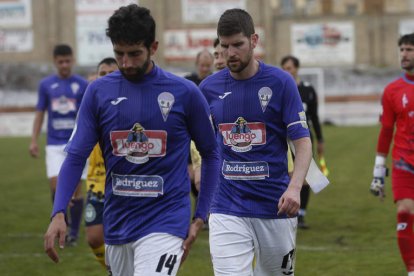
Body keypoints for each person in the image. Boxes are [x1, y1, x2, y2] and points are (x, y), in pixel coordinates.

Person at [43, 4, 220, 276]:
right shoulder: (98, 92)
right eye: (119, 54)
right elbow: (76, 155)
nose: (126, 63)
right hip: (118, 223)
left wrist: (200, 216)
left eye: (134, 54)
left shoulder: (185, 93)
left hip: (167, 221)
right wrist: (58, 212)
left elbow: (211, 152)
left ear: (154, 47)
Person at [200, 8, 312, 275]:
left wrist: (295, 188)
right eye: (224, 46)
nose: (230, 53)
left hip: (275, 206)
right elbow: (203, 145)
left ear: (254, 40)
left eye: (237, 44)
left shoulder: (281, 82)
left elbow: (302, 141)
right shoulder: (209, 89)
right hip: (226, 206)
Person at [30, 44, 88, 246]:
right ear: (55, 62)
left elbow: (86, 116)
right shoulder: (46, 85)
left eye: (67, 61)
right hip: (54, 144)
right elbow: (40, 113)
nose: (64, 65)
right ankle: (62, 220)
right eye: (60, 61)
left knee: (76, 190)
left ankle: (73, 233)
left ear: (72, 60)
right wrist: (34, 140)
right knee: (56, 186)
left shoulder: (82, 85)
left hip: (75, 144)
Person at [370, 33, 414, 276]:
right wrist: (378, 172)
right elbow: (386, 131)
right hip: (403, 163)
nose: (404, 54)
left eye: (409, 49)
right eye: (402, 50)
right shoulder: (392, 90)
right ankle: (411, 269)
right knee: (404, 211)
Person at [281, 55, 325, 229]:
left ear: (296, 69)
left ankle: (301, 214)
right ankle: (285, 206)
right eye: (284, 68)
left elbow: (314, 117)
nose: (287, 71)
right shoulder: (280, 88)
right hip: (283, 139)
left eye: (290, 68)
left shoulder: (308, 90)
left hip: (303, 139)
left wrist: (320, 139)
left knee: (305, 175)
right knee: (287, 174)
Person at [84, 57, 118, 270]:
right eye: (102, 74)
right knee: (94, 238)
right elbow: (77, 152)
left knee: (122, 239)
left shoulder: (129, 106)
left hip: (121, 183)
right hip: (96, 182)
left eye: (111, 73)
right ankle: (112, 269)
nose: (106, 77)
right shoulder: (89, 106)